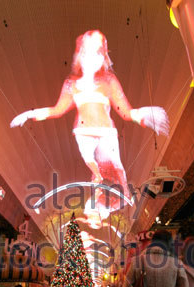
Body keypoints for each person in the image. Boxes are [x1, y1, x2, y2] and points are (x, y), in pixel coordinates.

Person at [10, 30, 169, 227]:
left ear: (102, 56)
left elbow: (126, 112)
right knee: (99, 174)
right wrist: (29, 114)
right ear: (80, 55)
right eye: (87, 52)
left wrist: (145, 117)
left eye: (97, 53)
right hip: (83, 135)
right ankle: (96, 206)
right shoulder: (71, 85)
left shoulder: (109, 81)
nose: (92, 58)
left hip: (106, 135)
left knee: (118, 175)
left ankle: (99, 208)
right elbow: (57, 110)